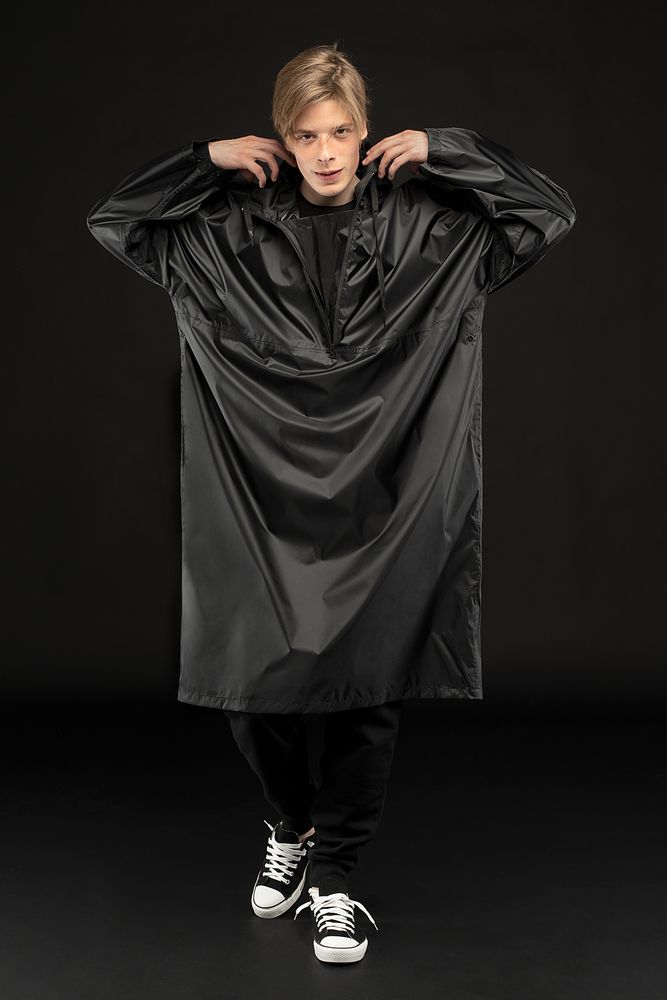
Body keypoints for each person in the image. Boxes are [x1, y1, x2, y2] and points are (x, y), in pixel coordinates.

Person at [86, 42, 575, 965]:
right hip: (257, 503)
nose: (324, 152)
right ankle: (292, 823)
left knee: (366, 695)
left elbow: (545, 214)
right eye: (305, 134)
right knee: (249, 689)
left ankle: (338, 879)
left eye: (341, 131)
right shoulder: (222, 233)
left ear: (364, 131)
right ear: (282, 137)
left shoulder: (431, 230)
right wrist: (204, 160)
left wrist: (447, 149)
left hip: (386, 502)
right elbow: (118, 222)